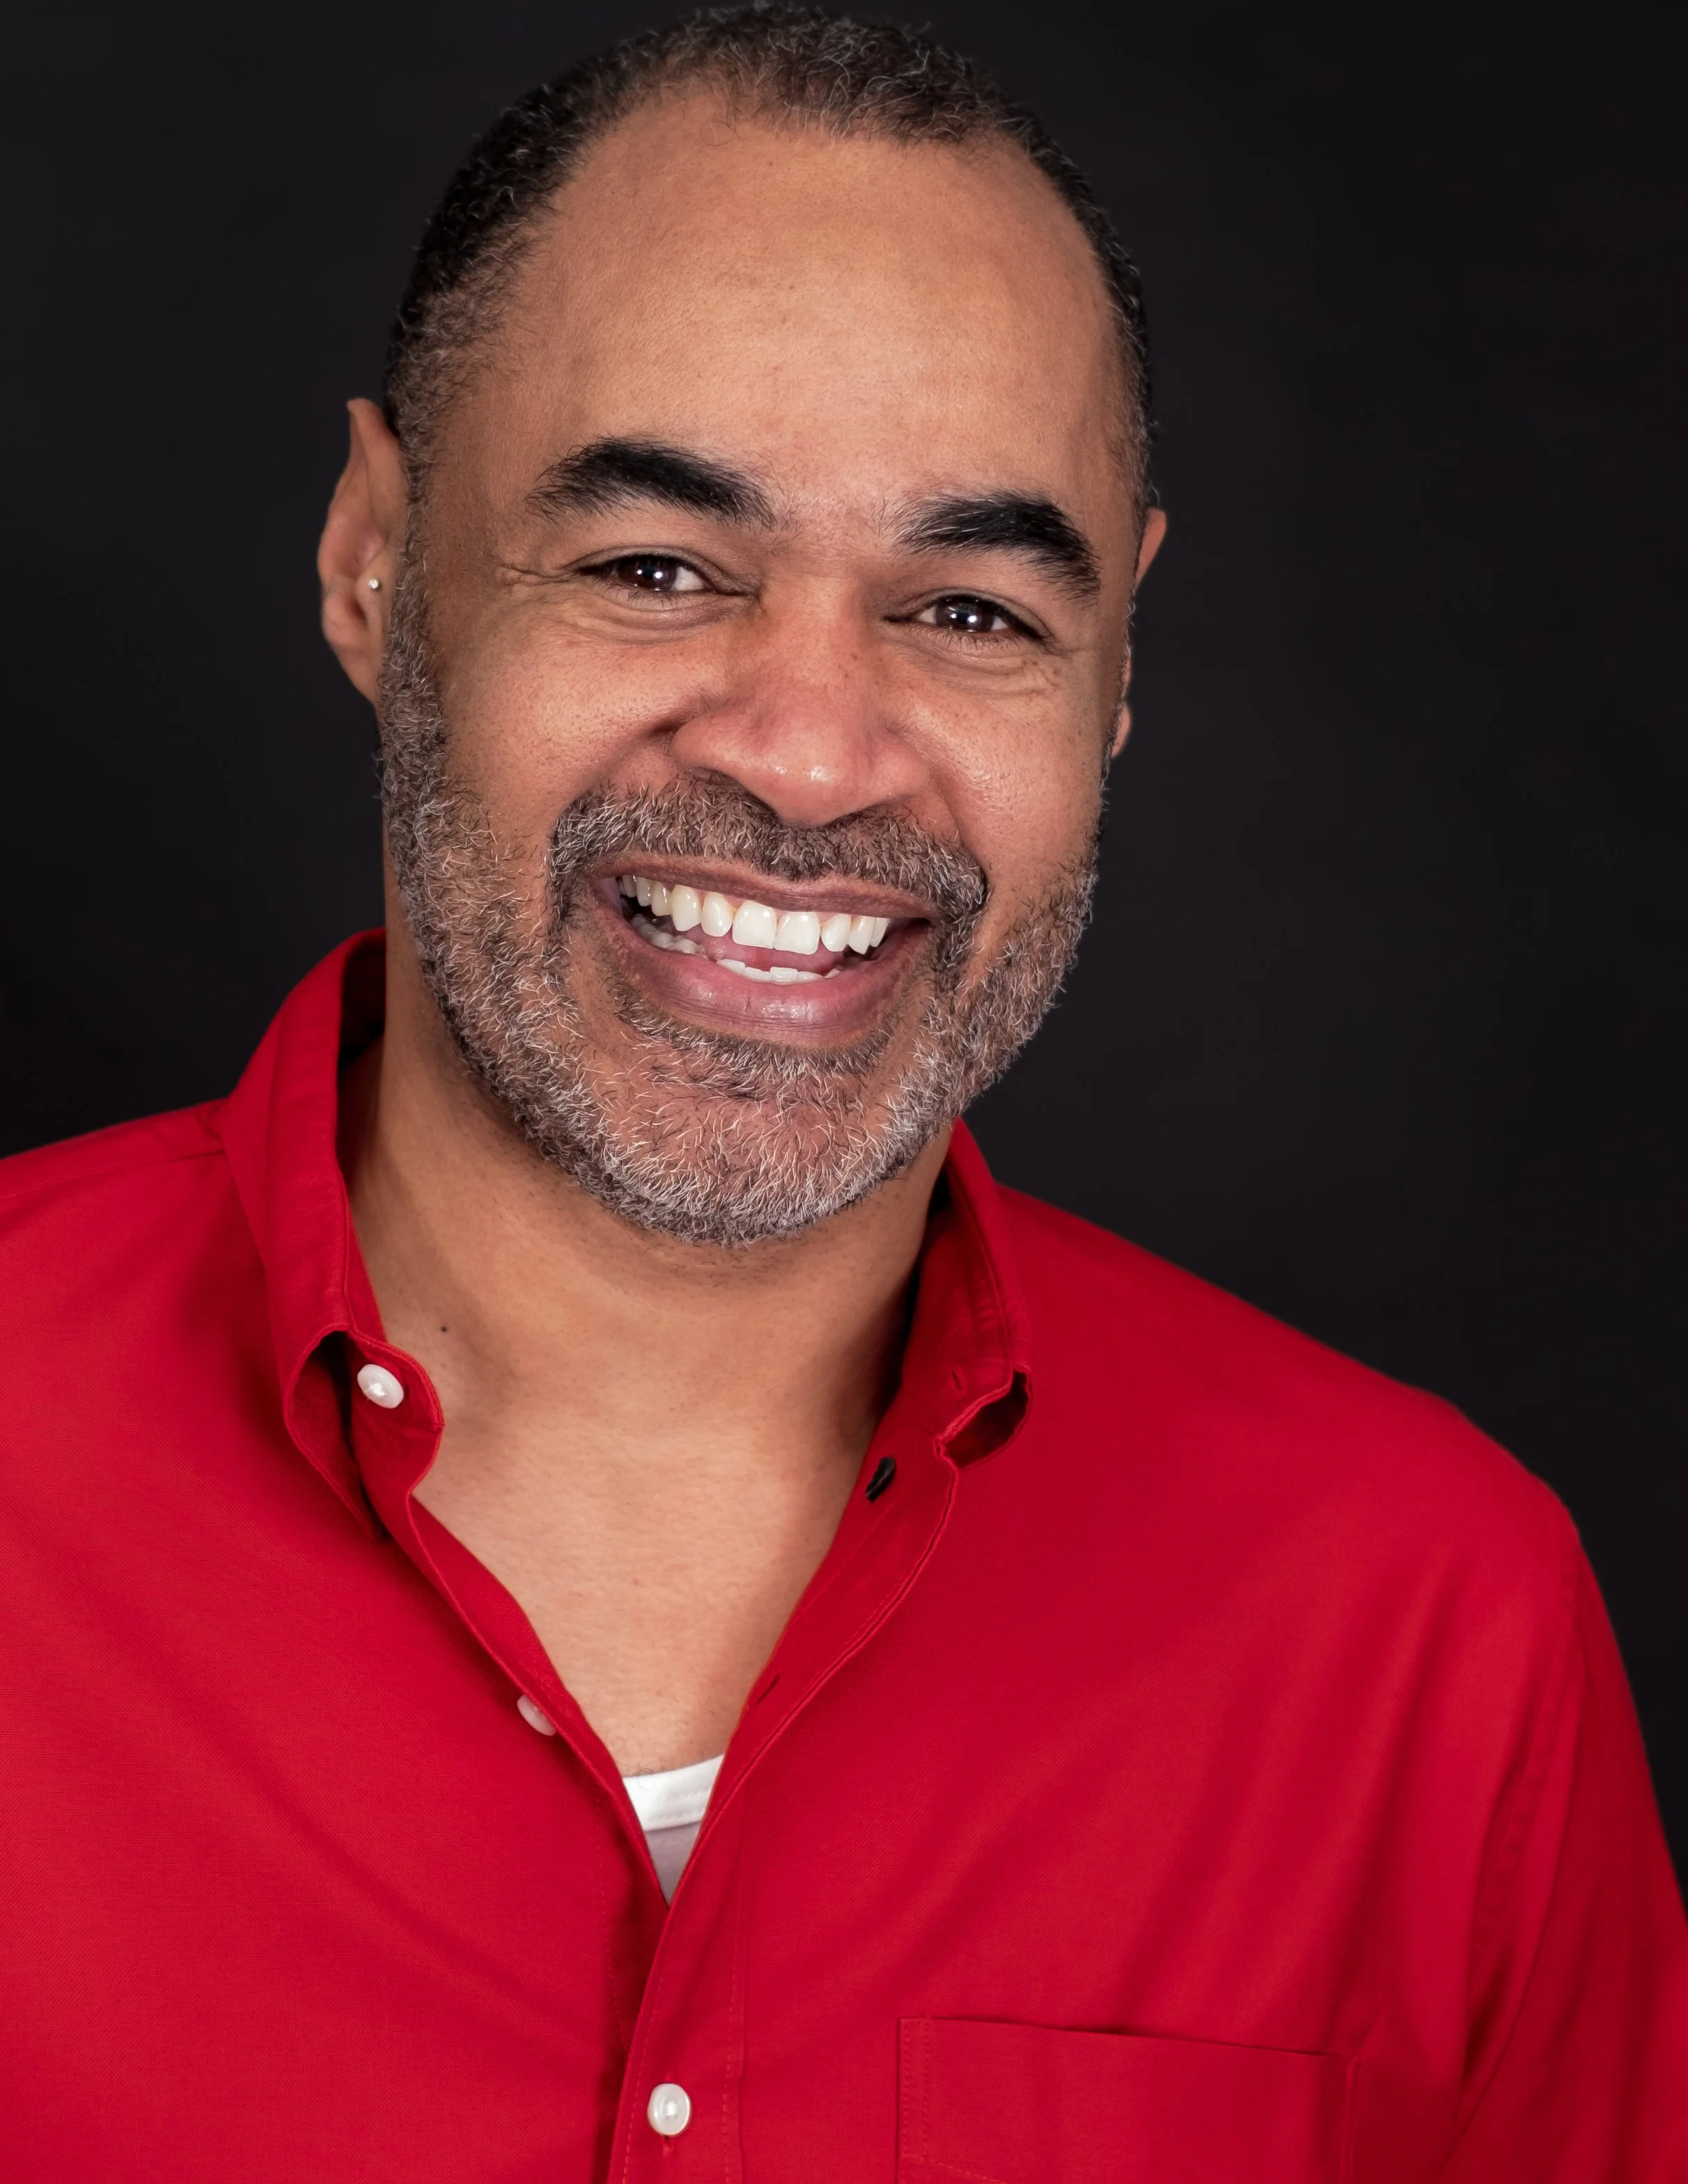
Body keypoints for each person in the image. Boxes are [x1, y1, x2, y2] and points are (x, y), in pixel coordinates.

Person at [0, 7, 1681, 2177]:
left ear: (1122, 669)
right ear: (369, 560)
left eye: (970, 609)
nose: (810, 752)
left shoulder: (1438, 1637)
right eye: (655, 568)